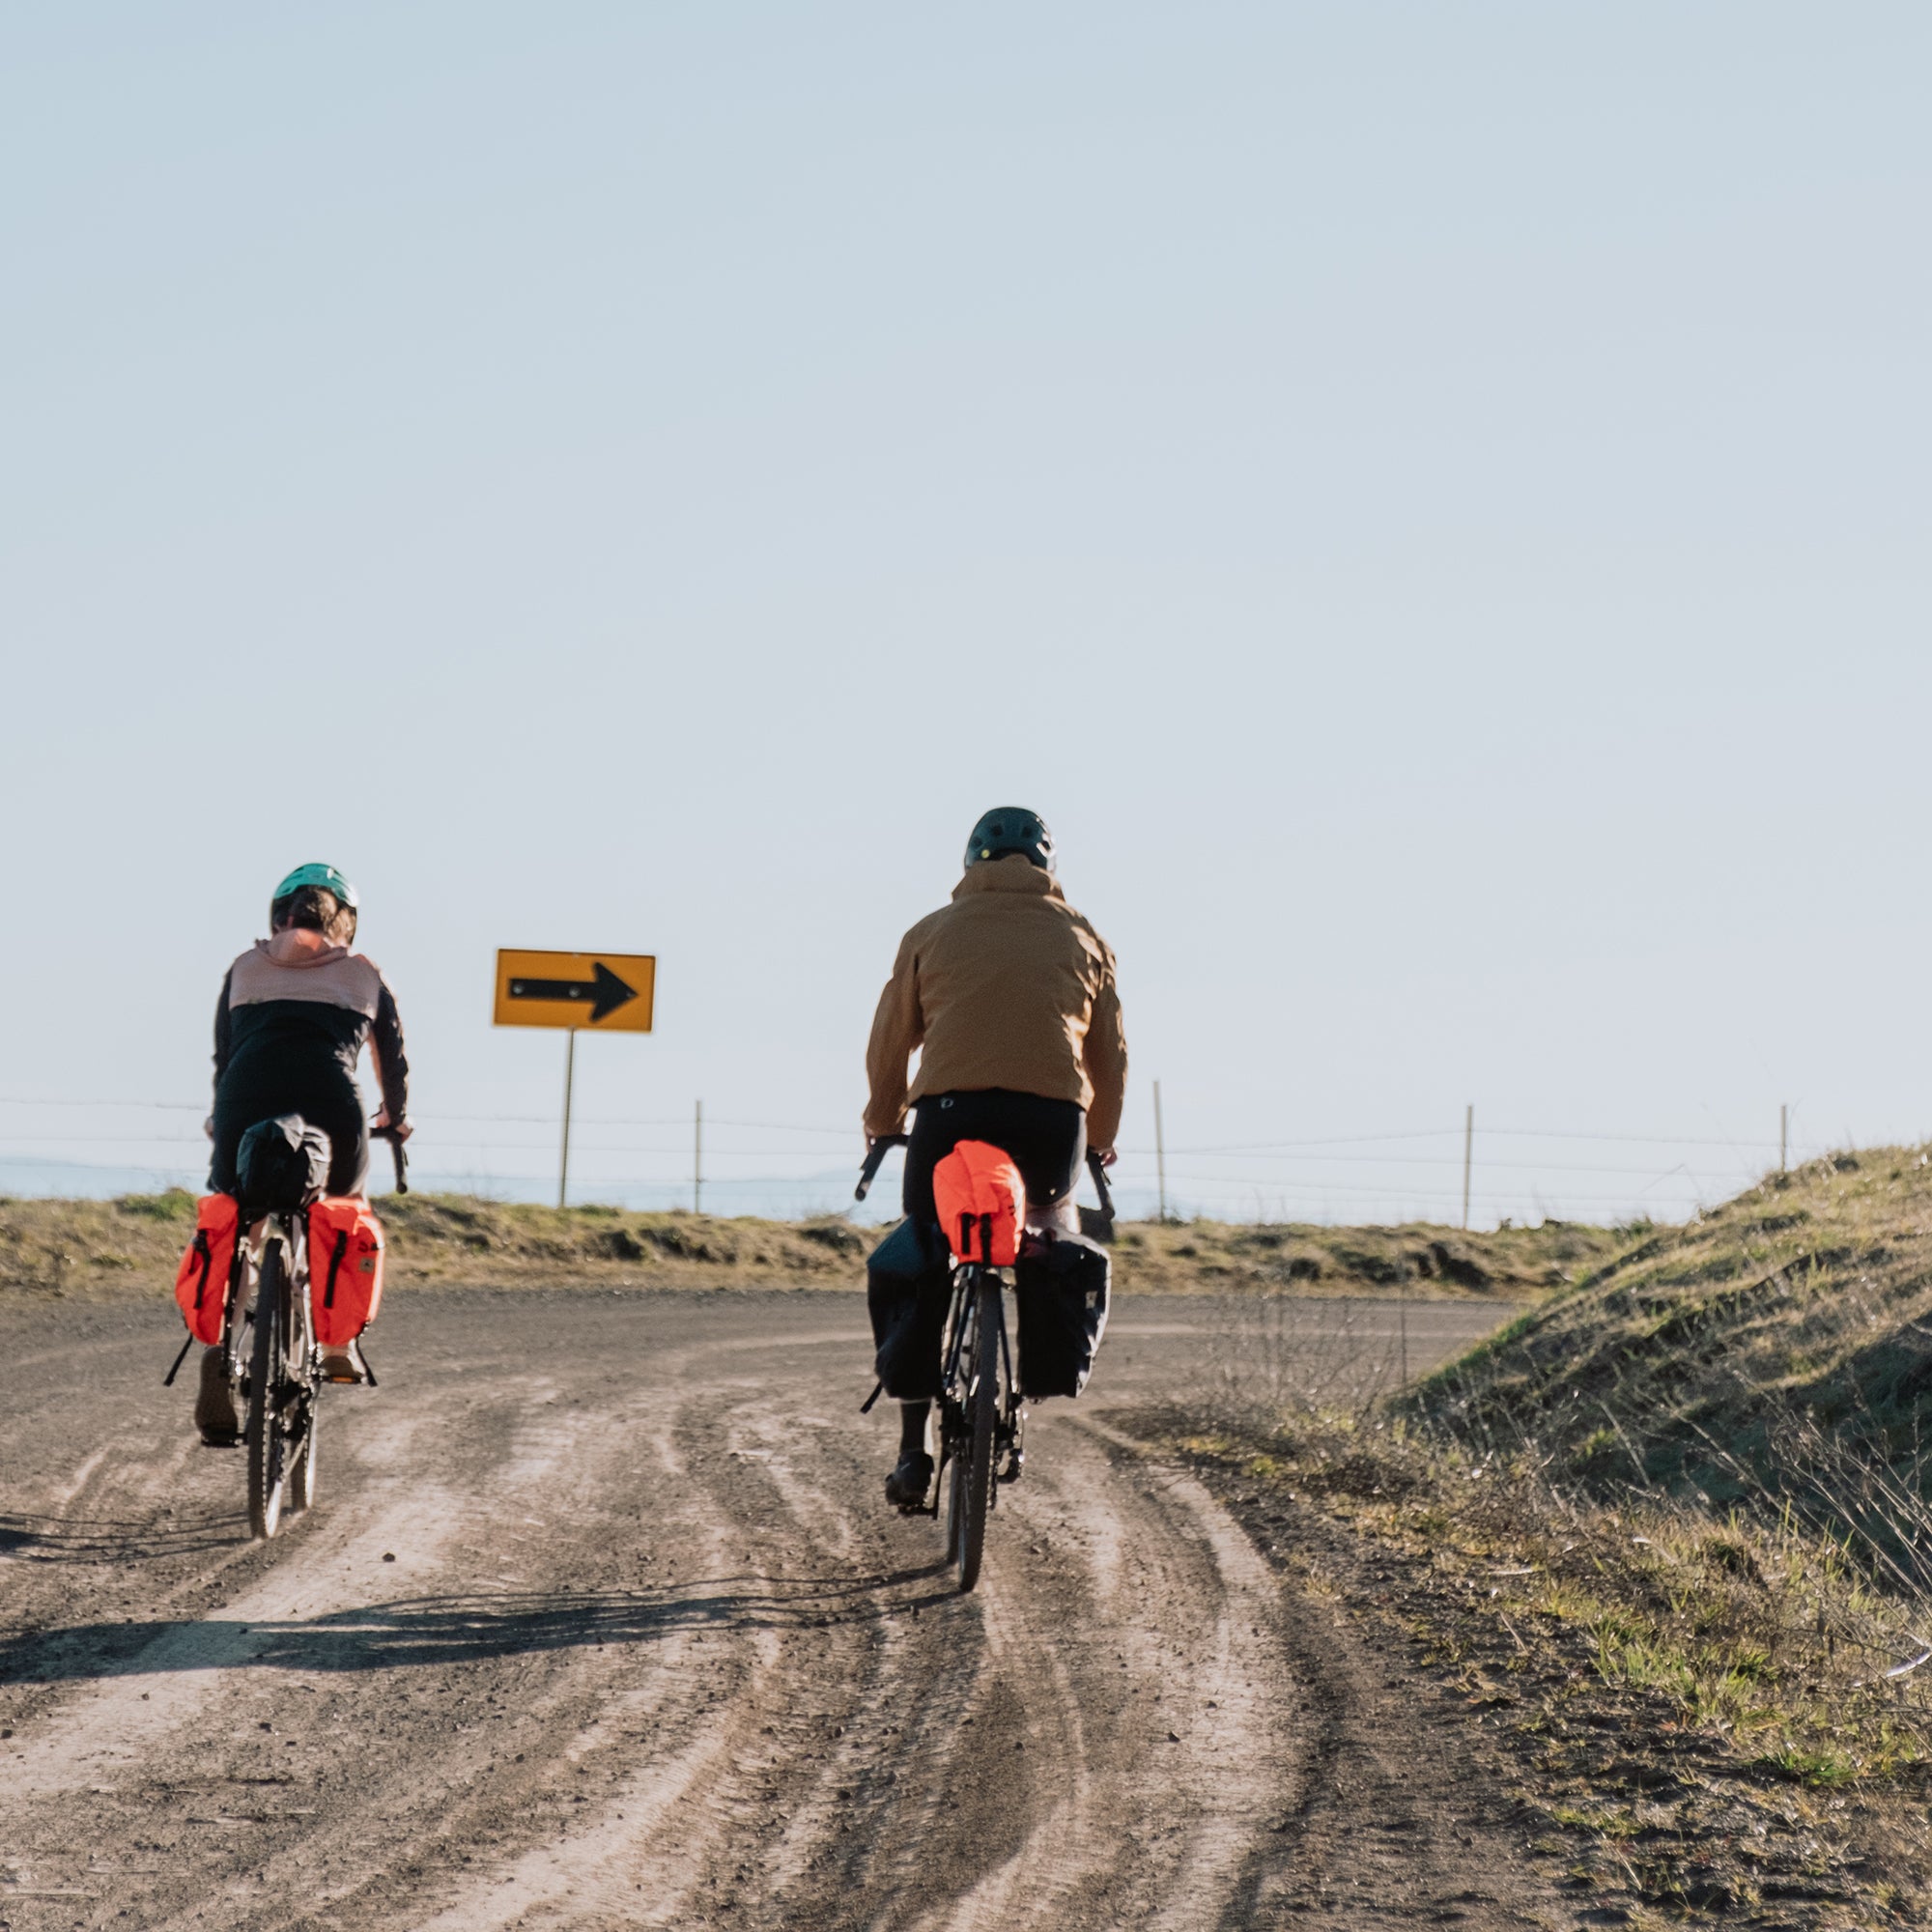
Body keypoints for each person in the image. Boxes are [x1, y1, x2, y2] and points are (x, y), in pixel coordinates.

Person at [864, 808, 1127, 1506]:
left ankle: (912, 1447)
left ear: (970, 862)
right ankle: (1022, 1385)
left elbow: (892, 1040)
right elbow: (1110, 1056)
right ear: (1047, 867)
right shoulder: (1085, 937)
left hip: (951, 1117)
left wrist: (882, 1119)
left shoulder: (930, 932)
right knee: (1046, 1223)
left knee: (926, 1241)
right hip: (1050, 1121)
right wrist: (1099, 1137)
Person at [194, 864, 412, 1440]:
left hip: (247, 1100)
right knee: (343, 1207)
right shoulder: (365, 975)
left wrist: (225, 1115)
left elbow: (228, 1053)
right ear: (348, 924)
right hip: (331, 1106)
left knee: (243, 1217)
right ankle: (338, 1347)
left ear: (278, 915)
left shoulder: (244, 969)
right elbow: (391, 1058)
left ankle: (221, 1351)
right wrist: (396, 1116)